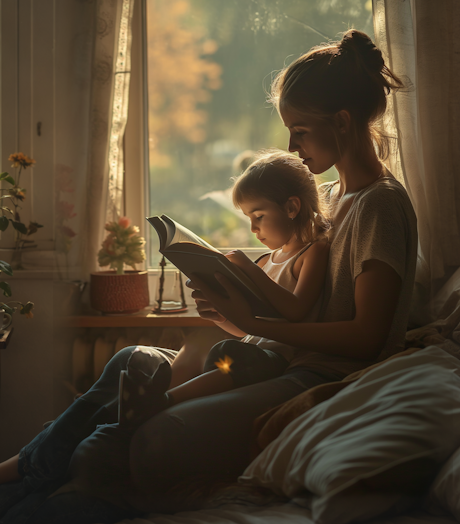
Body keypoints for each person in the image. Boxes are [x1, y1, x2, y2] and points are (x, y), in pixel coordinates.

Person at [0, 28, 417, 523]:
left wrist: (256, 325)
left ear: (344, 122)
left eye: (300, 131)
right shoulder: (331, 200)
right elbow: (300, 303)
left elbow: (367, 337)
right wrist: (235, 307)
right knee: (132, 360)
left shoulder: (380, 206)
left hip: (316, 377)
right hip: (280, 358)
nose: (291, 144)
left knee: (111, 445)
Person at [117, 149, 332, 429]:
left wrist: (251, 270)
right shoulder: (269, 259)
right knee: (206, 343)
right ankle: (155, 395)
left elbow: (297, 310)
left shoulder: (313, 251)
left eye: (259, 216)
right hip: (252, 352)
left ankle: (161, 400)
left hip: (280, 361)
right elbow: (251, 328)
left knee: (235, 356)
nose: (253, 228)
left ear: (292, 208)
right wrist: (222, 316)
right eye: (248, 218)